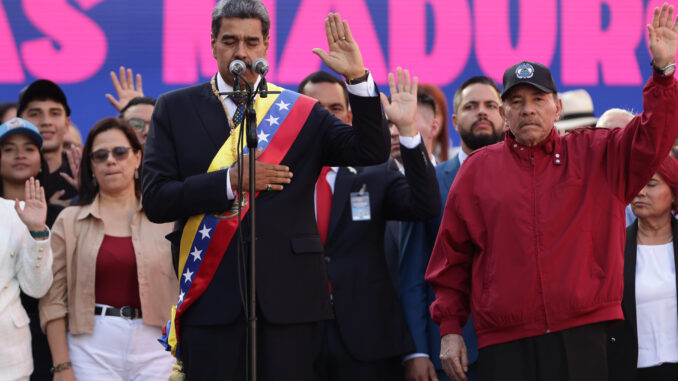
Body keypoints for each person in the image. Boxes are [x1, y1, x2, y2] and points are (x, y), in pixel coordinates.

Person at [425, 5, 678, 381]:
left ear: (557, 107)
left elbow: (652, 137)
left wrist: (663, 75)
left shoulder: (597, 153)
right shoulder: (477, 170)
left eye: (538, 99)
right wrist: (449, 329)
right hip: (505, 342)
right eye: (516, 102)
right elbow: (453, 258)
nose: (527, 110)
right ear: (503, 113)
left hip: (583, 333)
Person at [141, 0, 389, 379]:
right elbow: (156, 200)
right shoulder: (174, 107)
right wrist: (228, 182)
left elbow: (370, 151)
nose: (241, 52)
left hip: (290, 302)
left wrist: (357, 78)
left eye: (251, 42)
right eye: (230, 41)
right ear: (212, 43)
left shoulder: (301, 111)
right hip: (211, 299)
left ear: (266, 45)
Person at [299, 68, 441, 379]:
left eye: (335, 108)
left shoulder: (375, 172)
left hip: (369, 342)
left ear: (350, 116)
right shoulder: (279, 178)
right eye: (314, 108)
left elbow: (425, 204)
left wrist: (406, 130)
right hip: (298, 338)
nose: (326, 117)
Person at [39, 118, 177, 381]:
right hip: (91, 344)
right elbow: (53, 299)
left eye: (120, 152)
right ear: (91, 165)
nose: (110, 161)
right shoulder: (69, 221)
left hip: (158, 344)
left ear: (138, 157)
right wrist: (61, 365)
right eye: (100, 155)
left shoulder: (167, 216)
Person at [399, 76, 504, 381]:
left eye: (490, 105)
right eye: (471, 106)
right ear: (455, 122)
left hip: (514, 345)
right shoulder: (428, 184)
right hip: (448, 351)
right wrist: (416, 352)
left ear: (505, 116)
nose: (482, 112)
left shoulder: (527, 180)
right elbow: (411, 275)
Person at [0, 118, 64, 380]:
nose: (19, 155)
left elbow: (36, 288)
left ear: (41, 159)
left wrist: (38, 232)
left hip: (11, 359)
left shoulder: (53, 215)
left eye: (28, 148)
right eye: (8, 149)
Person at [608, 156, 678, 381]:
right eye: (636, 184)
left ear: (674, 193)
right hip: (632, 369)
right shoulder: (614, 247)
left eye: (651, 184)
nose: (640, 192)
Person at [17, 80, 79, 206]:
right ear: (20, 122)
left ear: (67, 123)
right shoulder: (6, 175)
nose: (46, 121)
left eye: (55, 113)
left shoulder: (85, 175)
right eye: (35, 114)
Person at [419, 84, 450, 163]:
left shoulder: (457, 160)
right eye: (420, 114)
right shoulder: (392, 163)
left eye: (435, 113)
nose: (430, 120)